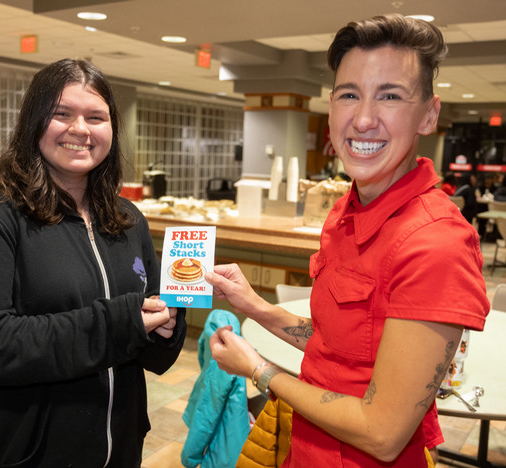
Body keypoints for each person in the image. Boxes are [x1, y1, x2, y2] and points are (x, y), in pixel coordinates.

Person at [207, 14, 489, 467]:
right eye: (349, 94)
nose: (363, 119)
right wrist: (252, 305)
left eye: (390, 96)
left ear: (429, 115)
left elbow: (382, 433)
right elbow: (335, 345)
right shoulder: (346, 212)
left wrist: (259, 370)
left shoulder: (436, 243)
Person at [0, 58, 186, 468]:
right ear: (32, 121)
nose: (80, 129)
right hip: (17, 456)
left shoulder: (126, 219)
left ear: (112, 130)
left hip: (116, 452)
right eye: (61, 114)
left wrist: (164, 326)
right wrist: (122, 323)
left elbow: (146, 342)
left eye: (96, 116)